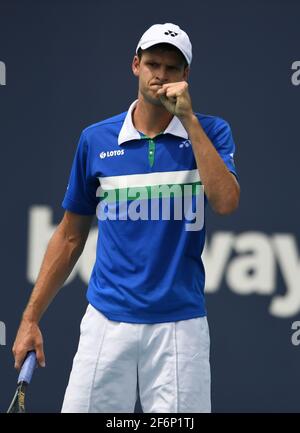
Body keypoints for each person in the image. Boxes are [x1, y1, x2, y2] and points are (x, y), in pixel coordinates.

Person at [12, 22, 240, 413]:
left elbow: (225, 202)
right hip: (106, 322)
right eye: (153, 63)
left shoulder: (212, 132)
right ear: (136, 65)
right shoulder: (95, 140)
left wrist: (189, 122)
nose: (161, 75)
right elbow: (69, 237)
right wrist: (30, 318)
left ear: (185, 76)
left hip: (179, 328)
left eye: (172, 68)